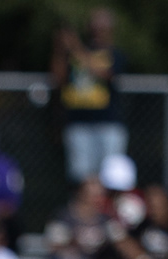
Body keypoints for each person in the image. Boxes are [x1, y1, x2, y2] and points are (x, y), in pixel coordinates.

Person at [52, 10, 129, 185]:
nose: (96, 30)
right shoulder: (75, 53)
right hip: (77, 123)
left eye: (101, 26)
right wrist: (59, 49)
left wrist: (75, 47)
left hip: (108, 123)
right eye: (94, 25)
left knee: (110, 177)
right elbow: (58, 80)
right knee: (81, 180)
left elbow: (106, 74)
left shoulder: (115, 53)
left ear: (110, 29)